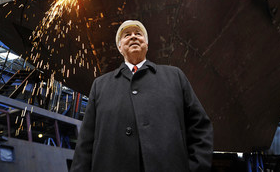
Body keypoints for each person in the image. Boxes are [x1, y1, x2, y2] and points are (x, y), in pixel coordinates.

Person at [70, 20, 213, 172]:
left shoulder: (175, 76)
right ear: (119, 47)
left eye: (138, 34)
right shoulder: (100, 85)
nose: (133, 37)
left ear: (147, 44)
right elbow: (85, 143)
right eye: (127, 35)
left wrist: (196, 168)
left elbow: (200, 127)